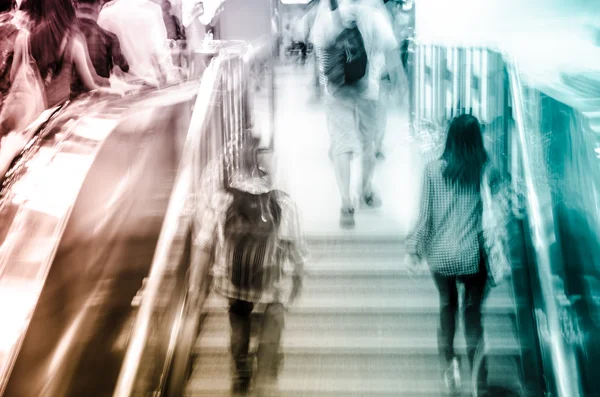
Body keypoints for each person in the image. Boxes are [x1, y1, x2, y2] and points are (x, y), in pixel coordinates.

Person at [193, 137, 308, 396]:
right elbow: (296, 249)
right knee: (273, 318)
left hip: (235, 282)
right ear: (269, 170)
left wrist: (195, 287)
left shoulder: (223, 200)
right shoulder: (284, 203)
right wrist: (299, 278)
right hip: (271, 283)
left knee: (239, 320)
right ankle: (264, 377)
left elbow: (203, 243)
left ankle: (240, 371)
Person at [406, 114, 501, 393]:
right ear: (476, 139)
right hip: (474, 256)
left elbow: (425, 217)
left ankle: (450, 370)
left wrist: (414, 250)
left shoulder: (433, 170)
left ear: (450, 137)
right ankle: (479, 383)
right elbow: (498, 215)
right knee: (473, 317)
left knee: (447, 307)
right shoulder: (485, 171)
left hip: (442, 256)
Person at [311, 0, 405, 228]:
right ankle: (364, 190)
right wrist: (400, 80)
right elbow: (391, 52)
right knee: (368, 143)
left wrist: (324, 83)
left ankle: (345, 201)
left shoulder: (327, 10)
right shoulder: (373, 11)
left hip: (336, 89)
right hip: (368, 88)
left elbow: (319, 51)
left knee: (341, 143)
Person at [98, 0, 179, 86]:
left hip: (126, 85)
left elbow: (103, 57)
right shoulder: (151, 11)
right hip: (154, 81)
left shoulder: (105, 15)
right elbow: (160, 52)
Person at [72, 0, 131, 97]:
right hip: (101, 98)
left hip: (71, 102)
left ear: (75, 5)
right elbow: (125, 68)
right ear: (99, 5)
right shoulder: (109, 38)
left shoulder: (63, 37)